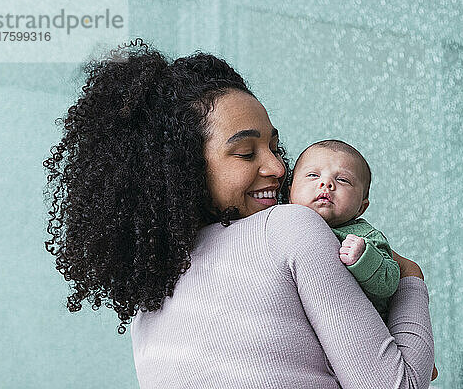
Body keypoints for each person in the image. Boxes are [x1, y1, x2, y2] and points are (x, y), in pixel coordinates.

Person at [43, 39, 435, 388]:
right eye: (247, 153)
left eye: (275, 148)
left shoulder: (150, 299)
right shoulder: (289, 228)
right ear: (183, 168)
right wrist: (410, 276)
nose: (280, 169)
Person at [288, 139, 438, 382]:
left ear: (361, 207)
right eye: (313, 175)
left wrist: (364, 258)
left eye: (343, 180)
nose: (326, 184)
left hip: (370, 337)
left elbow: (390, 281)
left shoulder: (364, 236)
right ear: (290, 191)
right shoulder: (286, 223)